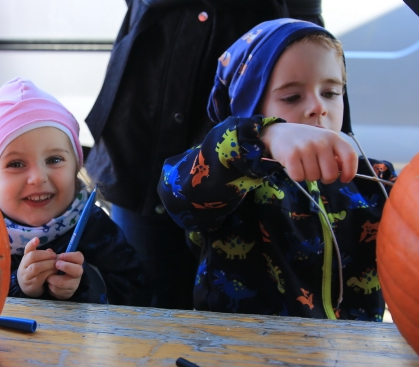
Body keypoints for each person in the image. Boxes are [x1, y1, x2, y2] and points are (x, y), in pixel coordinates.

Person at [84, 0, 324, 310]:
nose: (320, 104)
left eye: (332, 93)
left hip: (268, 50)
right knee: (146, 303)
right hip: (148, 111)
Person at [157, 19, 397, 321]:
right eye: (292, 97)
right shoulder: (234, 182)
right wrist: (263, 139)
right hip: (242, 355)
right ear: (249, 110)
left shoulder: (376, 180)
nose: (318, 107)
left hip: (352, 355)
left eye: (331, 93)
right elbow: (177, 192)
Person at [0, 77, 152, 306]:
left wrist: (83, 283)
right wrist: (18, 285)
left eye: (54, 159)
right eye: (16, 164)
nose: (38, 177)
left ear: (76, 167)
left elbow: (139, 298)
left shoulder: (96, 229)